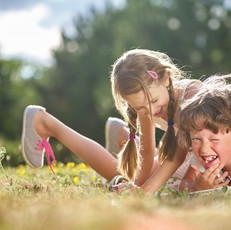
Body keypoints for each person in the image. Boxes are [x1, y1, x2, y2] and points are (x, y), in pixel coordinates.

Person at [21, 49, 200, 191]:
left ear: (166, 79)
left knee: (148, 179)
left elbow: (177, 154)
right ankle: (46, 123)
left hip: (194, 154)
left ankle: (121, 134)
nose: (150, 111)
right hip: (182, 158)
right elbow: (147, 154)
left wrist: (142, 190)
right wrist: (136, 187)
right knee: (123, 176)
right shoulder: (147, 104)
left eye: (153, 101)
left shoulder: (192, 96)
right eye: (139, 108)